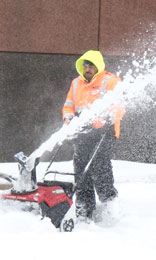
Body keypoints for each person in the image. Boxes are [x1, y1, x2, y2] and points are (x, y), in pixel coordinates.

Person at [62, 50, 125, 221]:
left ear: (98, 66)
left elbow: (119, 106)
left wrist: (105, 118)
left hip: (104, 133)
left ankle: (109, 207)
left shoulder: (109, 81)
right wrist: (68, 119)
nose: (87, 69)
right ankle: (84, 208)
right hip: (82, 134)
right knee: (81, 170)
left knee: (100, 166)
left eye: (91, 66)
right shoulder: (76, 84)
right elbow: (69, 106)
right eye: (85, 66)